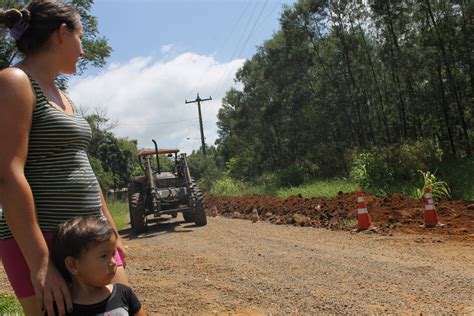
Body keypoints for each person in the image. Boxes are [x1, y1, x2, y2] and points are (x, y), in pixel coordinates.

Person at [0, 1, 129, 315]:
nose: (82, 50)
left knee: (121, 309)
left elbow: (79, 163)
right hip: (44, 238)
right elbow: (6, 171)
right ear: (61, 33)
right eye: (80, 37)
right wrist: (41, 261)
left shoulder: (60, 94)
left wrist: (111, 230)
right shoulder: (14, 81)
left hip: (92, 234)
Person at [53, 216, 145, 316]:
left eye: (113, 254)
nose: (114, 262)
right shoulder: (61, 309)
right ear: (73, 265)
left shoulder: (124, 293)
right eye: (104, 256)